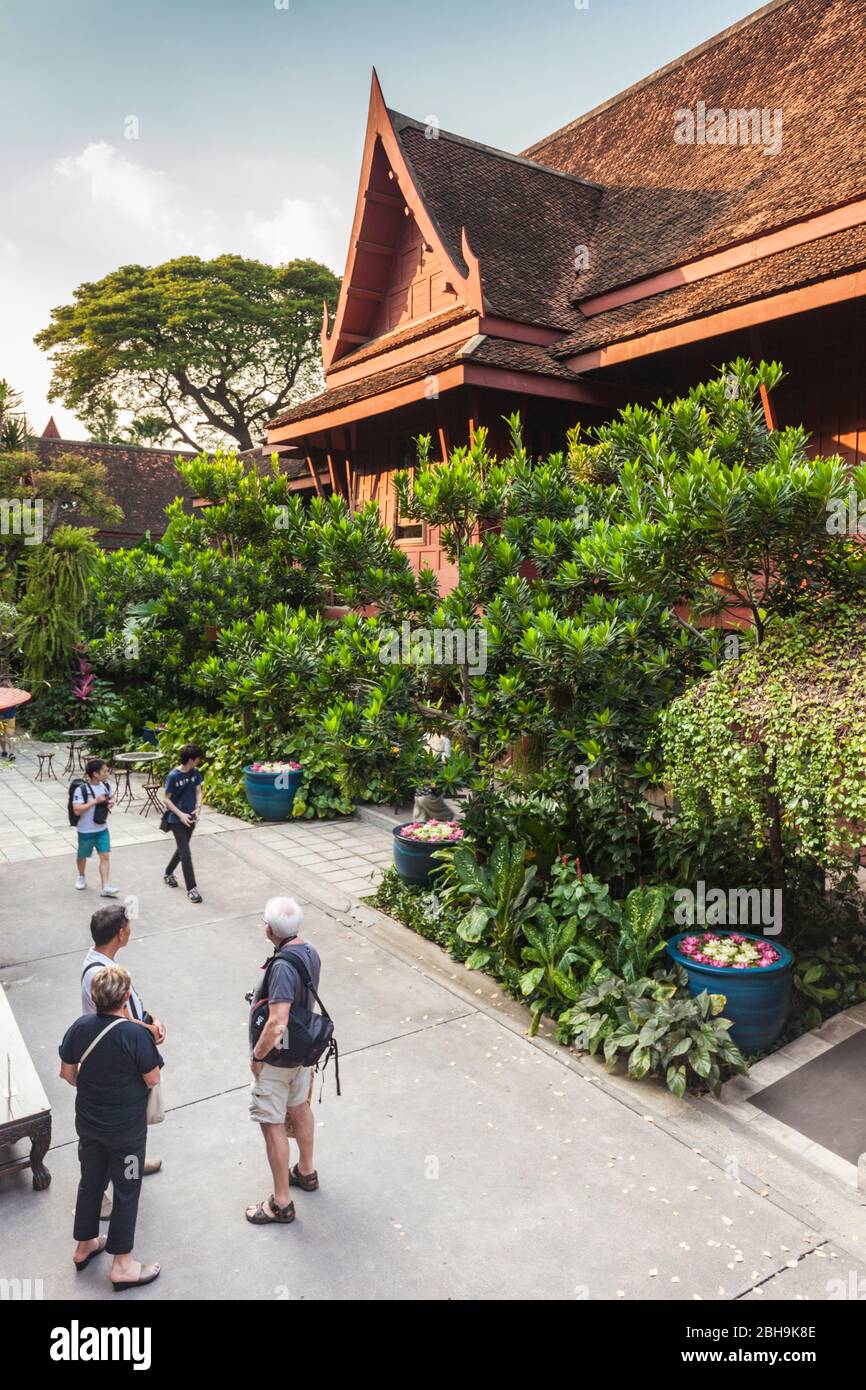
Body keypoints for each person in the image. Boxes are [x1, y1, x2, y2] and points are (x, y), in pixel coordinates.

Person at [59, 963, 163, 1291]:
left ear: (95, 996)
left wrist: (94, 1088)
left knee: (91, 1181)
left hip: (88, 1125)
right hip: (127, 1134)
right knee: (127, 1187)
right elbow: (153, 1078)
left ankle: (85, 1244)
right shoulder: (135, 1035)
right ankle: (122, 1264)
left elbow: (67, 1072)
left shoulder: (80, 1027)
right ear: (126, 997)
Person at [81, 904, 165, 1216]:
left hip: (124, 1050)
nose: (130, 930)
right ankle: (101, 1195)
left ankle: (134, 1159)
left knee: (131, 1121)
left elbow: (128, 1012)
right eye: (128, 926)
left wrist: (151, 1019)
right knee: (112, 1129)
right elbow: (121, 1020)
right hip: (118, 1058)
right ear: (120, 934)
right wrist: (151, 1031)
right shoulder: (100, 973)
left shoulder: (101, 963)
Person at [246, 897, 321, 1226]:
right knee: (300, 1108)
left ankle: (281, 1203)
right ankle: (306, 1171)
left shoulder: (281, 967)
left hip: (278, 1058)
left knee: (272, 1123)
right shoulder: (310, 951)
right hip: (301, 1052)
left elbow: (277, 1021)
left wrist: (258, 1055)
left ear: (271, 929)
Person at [162, 744, 204, 904]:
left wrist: (198, 808)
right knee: (186, 854)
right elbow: (166, 798)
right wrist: (180, 815)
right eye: (198, 759)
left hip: (191, 818)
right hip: (177, 820)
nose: (199, 761)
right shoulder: (173, 776)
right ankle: (191, 889)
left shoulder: (195, 772)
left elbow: (198, 791)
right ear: (191, 760)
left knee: (182, 849)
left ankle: (168, 873)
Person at [73, 757, 118, 897]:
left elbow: (111, 798)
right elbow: (77, 810)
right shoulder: (81, 790)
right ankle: (81, 875)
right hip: (85, 830)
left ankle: (105, 886)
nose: (107, 773)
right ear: (95, 774)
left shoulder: (105, 786)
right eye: (104, 771)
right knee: (82, 856)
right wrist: (95, 802)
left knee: (105, 855)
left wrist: (111, 802)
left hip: (102, 828)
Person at [0, 674, 20, 762]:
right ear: (2, 681)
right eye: (6, 680)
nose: (8, 682)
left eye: (9, 680)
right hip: (0, 718)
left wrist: (12, 689)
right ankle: (4, 751)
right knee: (1, 736)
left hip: (10, 716)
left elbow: (17, 700)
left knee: (10, 735)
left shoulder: (13, 691)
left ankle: (11, 753)